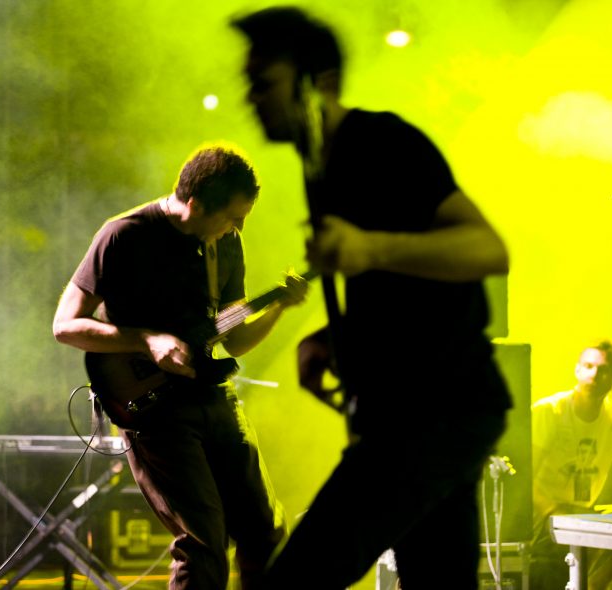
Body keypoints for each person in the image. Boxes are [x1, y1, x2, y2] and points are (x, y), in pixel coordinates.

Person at [230, 7, 513, 589]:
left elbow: (488, 249)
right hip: (427, 413)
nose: (251, 98)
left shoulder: (380, 142)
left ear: (320, 82)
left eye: (265, 82)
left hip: (431, 413)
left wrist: (370, 248)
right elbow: (401, 296)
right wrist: (334, 339)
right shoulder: (320, 164)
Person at [52, 142, 310, 589]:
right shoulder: (123, 235)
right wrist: (146, 339)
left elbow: (235, 340)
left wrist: (280, 307)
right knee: (204, 544)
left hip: (212, 395)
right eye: (232, 216)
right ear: (195, 203)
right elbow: (65, 326)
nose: (238, 227)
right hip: (152, 409)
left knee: (265, 532)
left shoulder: (225, 244)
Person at [531, 340, 612, 589]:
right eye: (588, 366)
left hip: (582, 515)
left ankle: (592, 585)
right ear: (576, 370)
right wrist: (553, 512)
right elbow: (525, 479)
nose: (594, 374)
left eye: (603, 369)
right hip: (541, 516)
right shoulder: (549, 411)